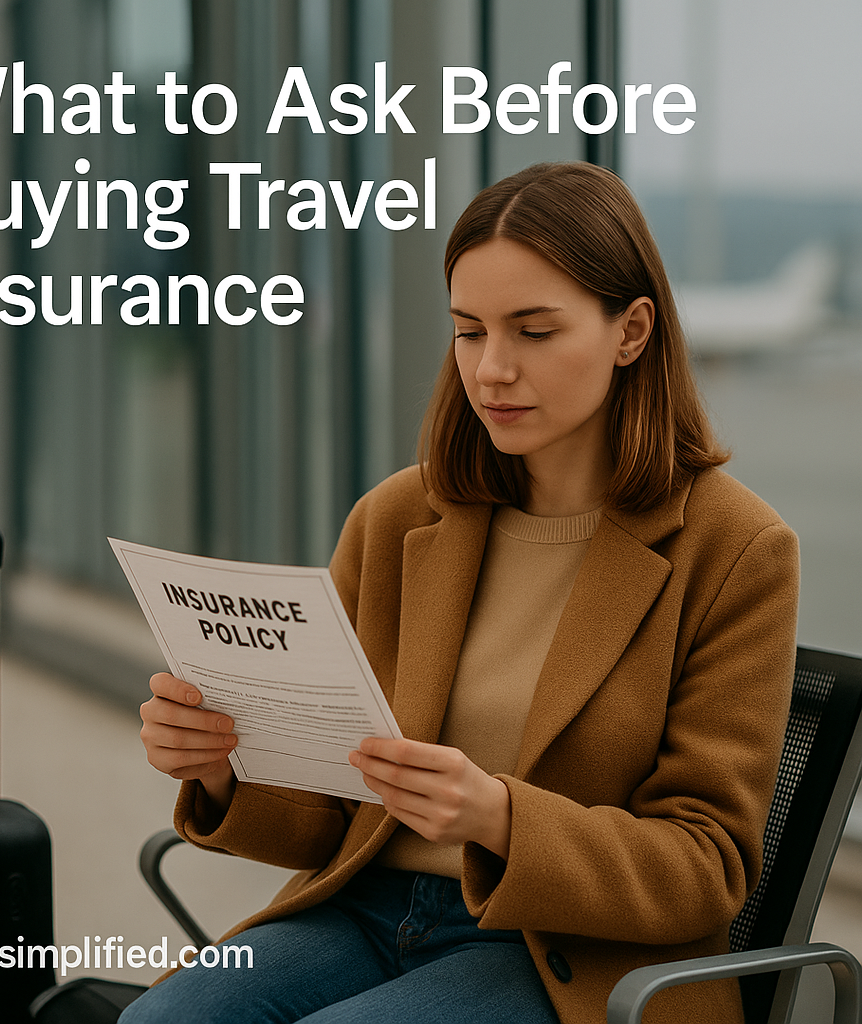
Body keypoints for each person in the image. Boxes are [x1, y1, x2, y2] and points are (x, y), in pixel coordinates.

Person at [122, 162, 799, 1024]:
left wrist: (500, 817)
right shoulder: (398, 518)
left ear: (631, 332)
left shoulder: (736, 549)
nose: (492, 370)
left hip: (570, 953)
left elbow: (706, 867)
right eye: (469, 332)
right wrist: (222, 768)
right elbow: (330, 815)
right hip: (366, 906)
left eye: (534, 331)